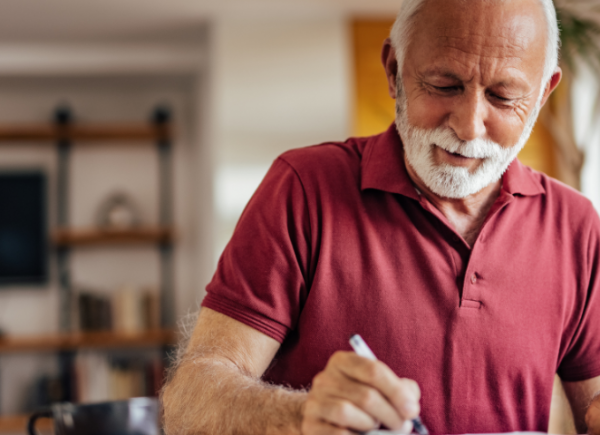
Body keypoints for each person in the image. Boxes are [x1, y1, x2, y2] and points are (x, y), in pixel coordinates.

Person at [162, 0, 600, 433]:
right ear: (394, 71)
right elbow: (189, 401)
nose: (469, 125)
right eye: (444, 85)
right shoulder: (303, 189)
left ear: (543, 94)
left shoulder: (575, 225)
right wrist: (301, 416)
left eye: (503, 96)